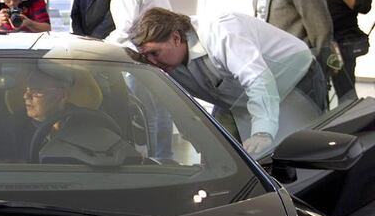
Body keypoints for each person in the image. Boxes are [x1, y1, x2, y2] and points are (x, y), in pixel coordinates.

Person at [131, 8, 327, 155]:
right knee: (224, 156)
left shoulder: (221, 32)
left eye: (154, 53)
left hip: (294, 78)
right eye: (146, 56)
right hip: (237, 98)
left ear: (175, 38)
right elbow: (178, 104)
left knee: (299, 152)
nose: (152, 62)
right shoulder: (167, 61)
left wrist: (263, 133)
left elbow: (258, 79)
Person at [91, 0, 173, 159]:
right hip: (167, 53)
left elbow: (126, 30)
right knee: (164, 111)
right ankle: (165, 157)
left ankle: (154, 160)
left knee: (147, 114)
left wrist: (101, 46)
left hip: (145, 58)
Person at [302, 0, 372, 101]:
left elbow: (365, 7)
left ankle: (349, 122)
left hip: (344, 41)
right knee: (314, 87)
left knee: (345, 89)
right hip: (317, 39)